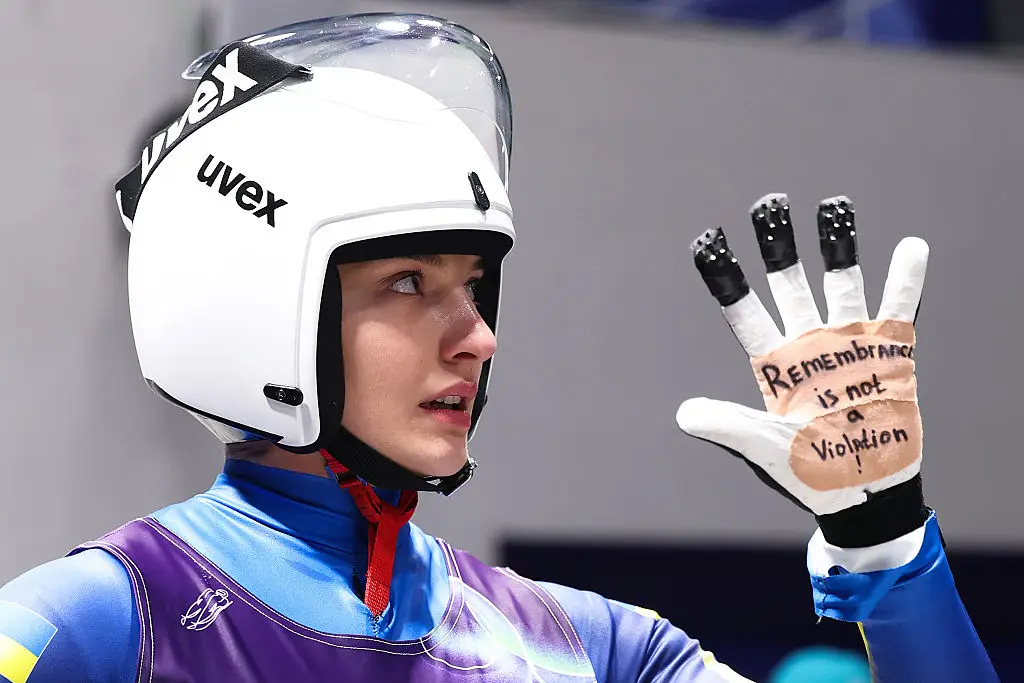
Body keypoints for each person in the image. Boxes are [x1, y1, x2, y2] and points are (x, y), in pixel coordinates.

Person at [0, 13, 1000, 683]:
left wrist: (889, 546)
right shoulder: (102, 618)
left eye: (475, 284)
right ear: (252, 302)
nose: (478, 335)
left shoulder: (590, 645)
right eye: (410, 283)